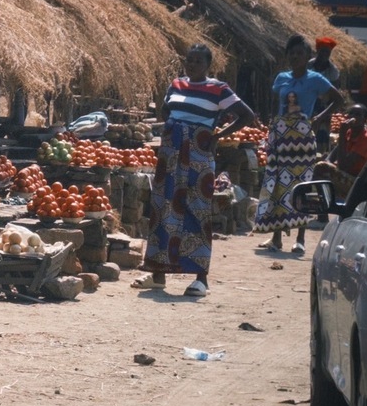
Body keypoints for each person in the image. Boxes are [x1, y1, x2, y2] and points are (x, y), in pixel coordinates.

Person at [132, 44, 255, 297]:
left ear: (208, 64)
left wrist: (218, 135)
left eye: (198, 61)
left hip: (199, 156)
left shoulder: (218, 89)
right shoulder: (176, 85)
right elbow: (167, 109)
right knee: (163, 208)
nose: (192, 65)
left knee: (197, 210)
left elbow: (246, 115)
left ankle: (201, 278)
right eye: (189, 60)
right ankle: (158, 274)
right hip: (170, 155)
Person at [255, 34, 346, 253]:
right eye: (292, 53)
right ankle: (276, 238)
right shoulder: (281, 78)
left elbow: (338, 100)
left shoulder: (315, 79)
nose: (295, 57)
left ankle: (300, 239)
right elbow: (276, 104)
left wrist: (318, 119)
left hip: (303, 139)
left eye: (300, 53)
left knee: (301, 185)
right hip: (280, 136)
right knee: (277, 183)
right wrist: (271, 126)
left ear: (308, 56)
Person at [313, 103, 367, 199]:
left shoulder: (365, 139)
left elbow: (344, 167)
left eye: (357, 114)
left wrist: (342, 135)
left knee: (321, 168)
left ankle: (325, 207)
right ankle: (325, 203)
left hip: (356, 182)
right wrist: (327, 161)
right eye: (351, 113)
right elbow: (334, 153)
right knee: (319, 161)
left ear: (365, 120)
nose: (353, 117)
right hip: (345, 175)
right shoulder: (349, 132)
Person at [312, 36, 341, 154]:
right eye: (323, 51)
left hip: (324, 107)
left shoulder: (333, 71)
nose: (325, 54)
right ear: (317, 51)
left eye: (328, 52)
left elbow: (335, 93)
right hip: (308, 104)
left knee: (322, 134)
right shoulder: (308, 66)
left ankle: (319, 157)